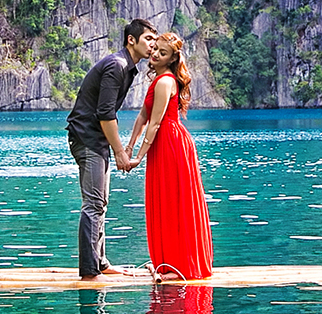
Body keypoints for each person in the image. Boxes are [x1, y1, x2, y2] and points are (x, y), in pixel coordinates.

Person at [67, 19, 157, 279]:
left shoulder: (127, 68)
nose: (152, 45)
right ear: (132, 40)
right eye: (148, 39)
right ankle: (89, 271)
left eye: (154, 40)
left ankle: (101, 263)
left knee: (100, 203)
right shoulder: (117, 66)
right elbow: (105, 114)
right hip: (88, 138)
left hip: (97, 140)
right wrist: (120, 152)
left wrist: (119, 148)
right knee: (93, 204)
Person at [130, 32, 213, 280]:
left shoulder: (166, 81)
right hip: (162, 142)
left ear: (171, 59)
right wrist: (129, 146)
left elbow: (155, 123)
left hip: (170, 142)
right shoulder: (156, 80)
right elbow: (143, 117)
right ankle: (166, 261)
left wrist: (138, 157)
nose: (155, 54)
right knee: (163, 200)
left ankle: (181, 265)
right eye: (155, 49)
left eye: (162, 53)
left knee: (174, 201)